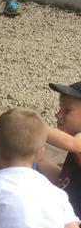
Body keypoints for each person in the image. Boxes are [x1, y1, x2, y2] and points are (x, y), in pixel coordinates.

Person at [47, 81, 81, 217]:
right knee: (34, 161)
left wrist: (29, 124)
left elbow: (72, 143)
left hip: (74, 221)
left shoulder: (76, 140)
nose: (58, 114)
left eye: (67, 110)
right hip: (68, 197)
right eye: (60, 108)